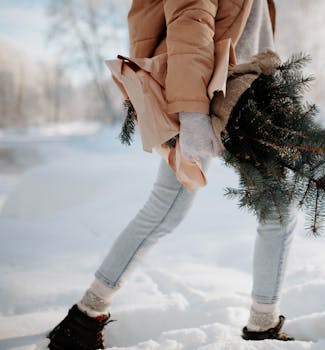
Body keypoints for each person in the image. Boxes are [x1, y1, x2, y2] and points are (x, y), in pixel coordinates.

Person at [47, 1, 296, 349]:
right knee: (178, 208)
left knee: (270, 210)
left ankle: (263, 324)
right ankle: (85, 317)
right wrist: (192, 113)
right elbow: (189, 21)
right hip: (214, 95)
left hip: (248, 91)